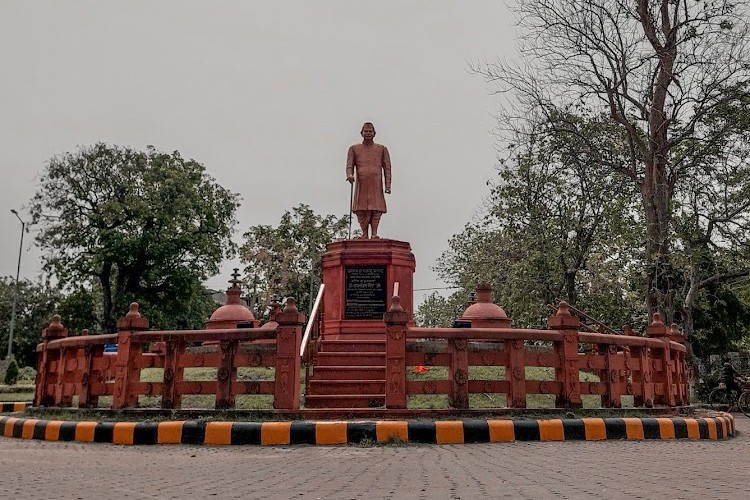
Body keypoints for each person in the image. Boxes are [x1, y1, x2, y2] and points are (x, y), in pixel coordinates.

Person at [346, 122, 391, 239]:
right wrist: (350, 175)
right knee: (361, 209)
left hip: (376, 183)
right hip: (362, 183)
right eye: (366, 131)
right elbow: (349, 166)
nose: (368, 134)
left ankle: (374, 233)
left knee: (376, 208)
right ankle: (364, 234)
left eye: (370, 131)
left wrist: (388, 185)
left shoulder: (381, 149)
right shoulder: (354, 149)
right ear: (361, 133)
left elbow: (387, 168)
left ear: (374, 133)